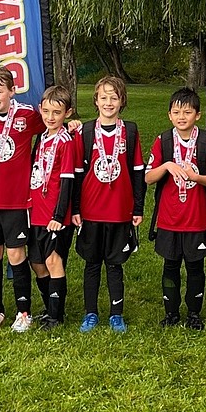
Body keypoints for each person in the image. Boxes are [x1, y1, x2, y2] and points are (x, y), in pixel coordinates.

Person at [145, 87, 206, 329]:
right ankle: (171, 312)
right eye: (176, 112)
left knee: (194, 267)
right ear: (169, 115)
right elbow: (148, 178)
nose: (182, 117)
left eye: (187, 112)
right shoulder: (164, 141)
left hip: (197, 218)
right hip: (169, 218)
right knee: (170, 266)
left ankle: (193, 313)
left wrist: (195, 177)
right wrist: (168, 165)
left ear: (197, 115)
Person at [72, 75, 145, 333]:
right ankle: (90, 313)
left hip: (119, 211)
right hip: (91, 210)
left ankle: (116, 314)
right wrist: (76, 208)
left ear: (122, 101)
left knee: (115, 264)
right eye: (103, 97)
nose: (108, 102)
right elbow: (78, 173)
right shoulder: (86, 131)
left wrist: (137, 208)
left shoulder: (131, 131)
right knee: (92, 264)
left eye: (114, 97)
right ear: (96, 101)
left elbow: (138, 172)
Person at [0, 65, 42, 334]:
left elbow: (52, 122)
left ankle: (23, 312)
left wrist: (70, 123)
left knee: (16, 254)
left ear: (12, 91)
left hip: (16, 200)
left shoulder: (27, 115)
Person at [28, 84, 77, 330]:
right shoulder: (41, 137)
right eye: (46, 111)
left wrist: (59, 215)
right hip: (36, 211)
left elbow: (67, 179)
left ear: (67, 113)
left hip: (56, 215)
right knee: (36, 262)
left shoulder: (66, 141)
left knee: (53, 261)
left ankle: (57, 316)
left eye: (56, 113)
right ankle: (49, 308)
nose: (50, 117)